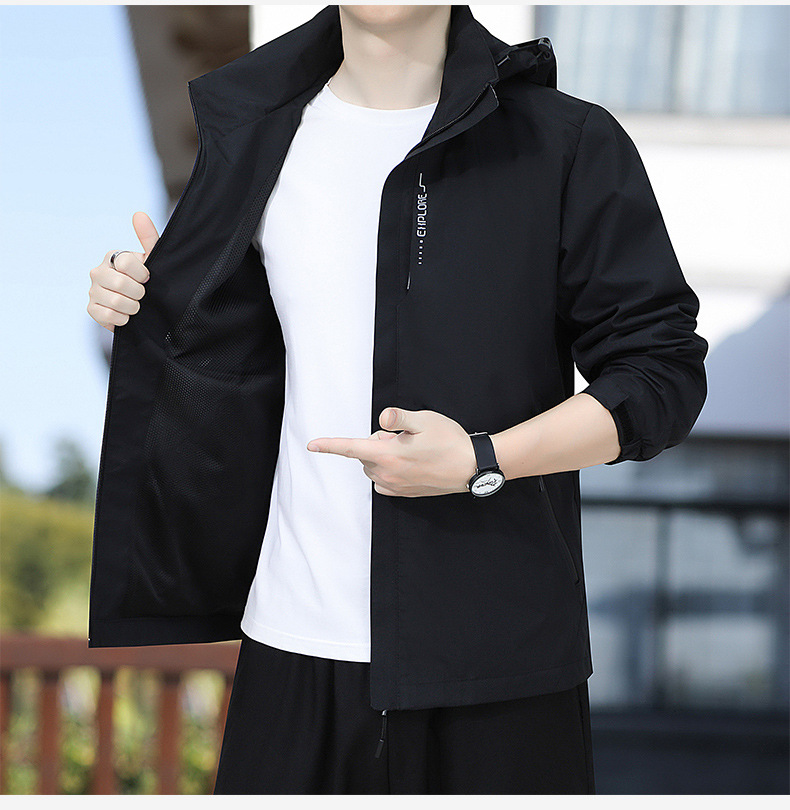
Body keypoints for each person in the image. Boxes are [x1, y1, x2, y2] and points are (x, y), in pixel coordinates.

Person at [86, 5, 708, 795]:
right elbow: (236, 366)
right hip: (289, 649)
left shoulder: (565, 141)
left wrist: (483, 460)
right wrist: (141, 302)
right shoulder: (253, 137)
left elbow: (661, 374)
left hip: (499, 670)